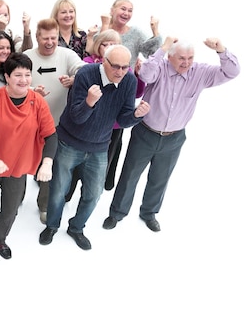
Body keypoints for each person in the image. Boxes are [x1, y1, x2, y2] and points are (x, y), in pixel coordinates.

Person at [103, 37, 240, 232]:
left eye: (190, 58)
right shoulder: (159, 67)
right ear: (170, 57)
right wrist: (163, 48)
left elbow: (232, 72)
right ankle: (117, 213)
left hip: (174, 137)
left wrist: (221, 50)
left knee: (160, 178)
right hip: (145, 133)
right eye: (181, 58)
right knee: (130, 175)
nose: (186, 63)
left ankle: (149, 213)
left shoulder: (200, 72)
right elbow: (146, 74)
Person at [39, 45, 150, 250]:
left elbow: (122, 119)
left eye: (125, 67)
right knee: (58, 190)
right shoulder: (86, 74)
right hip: (69, 142)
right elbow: (77, 117)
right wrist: (89, 102)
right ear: (103, 62)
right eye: (116, 66)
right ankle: (52, 226)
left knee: (93, 193)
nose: (120, 72)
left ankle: (77, 227)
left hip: (99, 146)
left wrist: (136, 115)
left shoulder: (129, 81)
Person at [0, 53, 57, 259]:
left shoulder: (38, 102)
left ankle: (0, 239)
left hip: (18, 167)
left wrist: (47, 163)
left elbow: (51, 135)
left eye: (28, 75)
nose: (24, 80)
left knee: (11, 208)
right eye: (18, 75)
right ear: (6, 77)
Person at [65, 29, 145, 199]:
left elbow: (134, 98)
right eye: (106, 43)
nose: (120, 70)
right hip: (80, 130)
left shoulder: (126, 75)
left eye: (114, 44)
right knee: (70, 174)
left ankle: (96, 187)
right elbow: (77, 112)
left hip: (109, 130)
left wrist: (136, 113)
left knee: (99, 172)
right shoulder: (87, 67)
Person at [23, 18, 86, 223]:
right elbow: (14, 83)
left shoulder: (67, 54)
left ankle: (44, 205)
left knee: (51, 165)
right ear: (37, 37)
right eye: (45, 38)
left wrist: (75, 80)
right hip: (28, 123)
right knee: (23, 162)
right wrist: (32, 92)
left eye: (53, 38)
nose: (49, 42)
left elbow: (84, 71)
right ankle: (16, 199)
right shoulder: (26, 57)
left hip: (57, 123)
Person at [100, 0, 162, 67]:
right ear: (112, 11)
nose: (126, 13)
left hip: (127, 76)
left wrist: (155, 30)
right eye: (123, 9)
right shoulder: (102, 29)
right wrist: (105, 25)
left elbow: (153, 56)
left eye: (130, 11)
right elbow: (94, 51)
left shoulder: (136, 33)